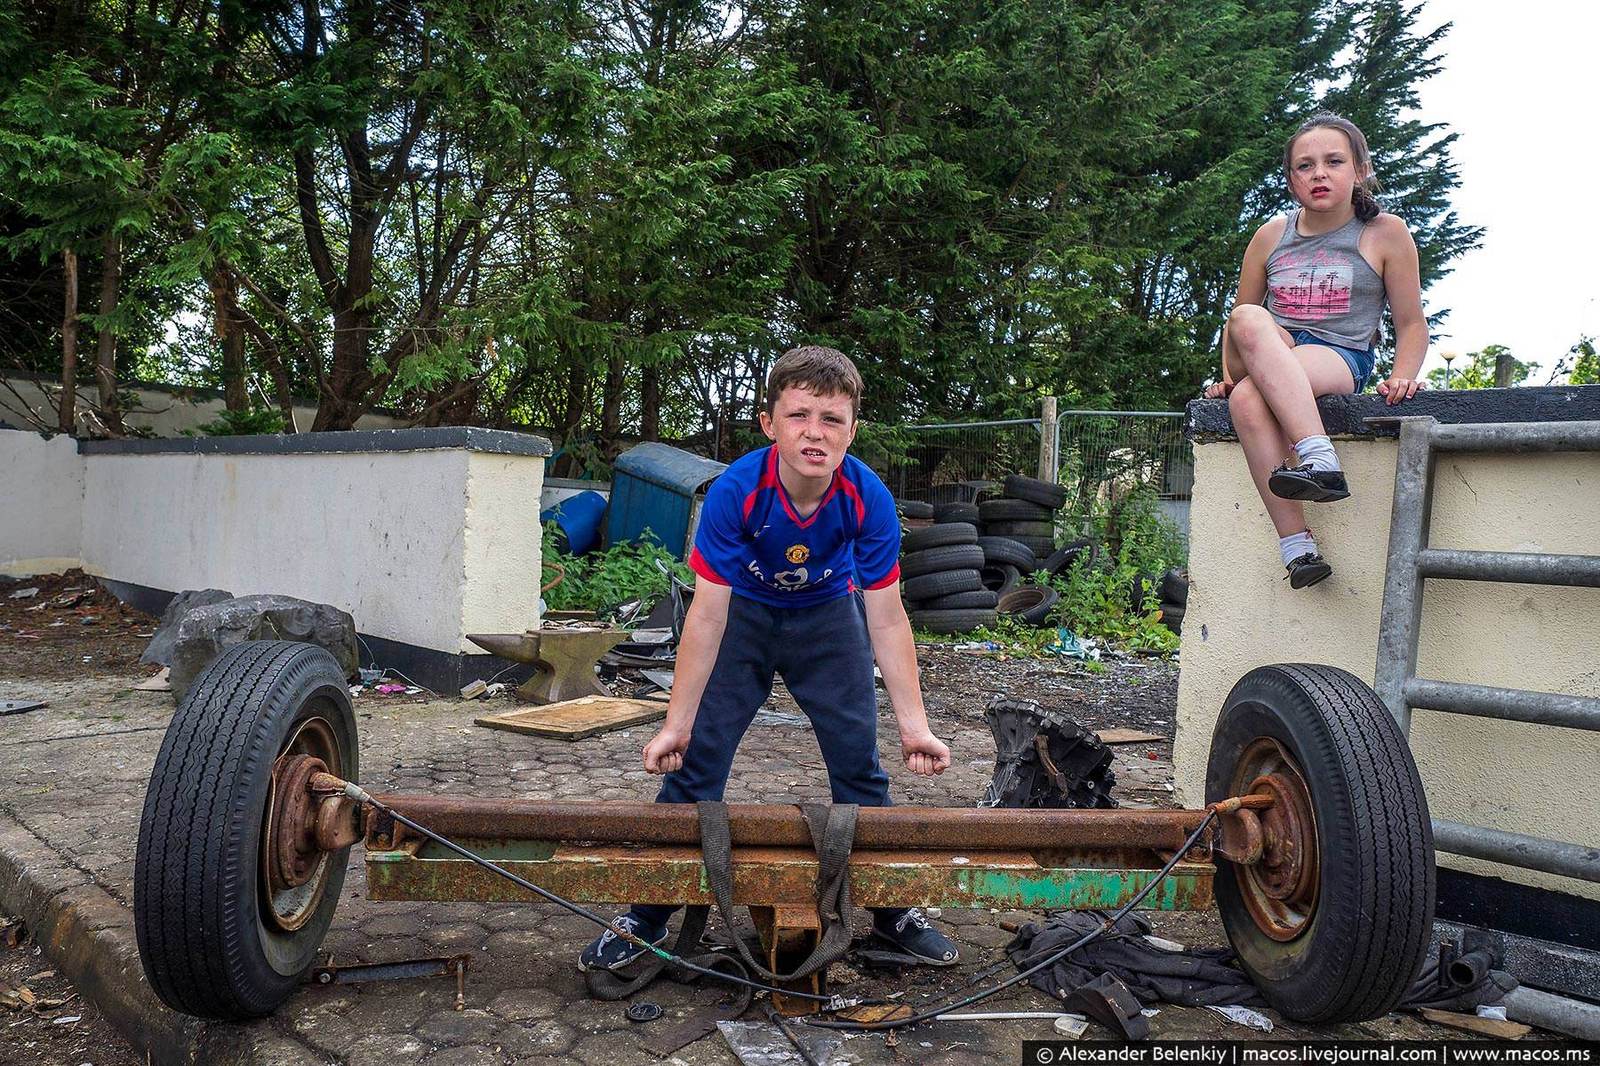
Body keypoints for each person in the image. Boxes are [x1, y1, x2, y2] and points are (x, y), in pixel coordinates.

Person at [578, 345, 961, 972]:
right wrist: (675, 721)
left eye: (832, 419)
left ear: (851, 430)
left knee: (859, 768)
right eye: (799, 415)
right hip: (745, 622)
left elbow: (887, 617)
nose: (815, 432)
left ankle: (893, 912)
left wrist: (915, 726)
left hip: (828, 624)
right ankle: (642, 916)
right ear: (770, 423)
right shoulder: (738, 492)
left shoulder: (868, 499)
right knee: (694, 764)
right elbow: (705, 613)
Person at [1203, 112, 1427, 588]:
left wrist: (1404, 373)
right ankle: (1319, 457)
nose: (1319, 174)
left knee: (1247, 400)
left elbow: (1410, 323)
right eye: (1304, 166)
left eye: (1333, 161)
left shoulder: (1385, 233)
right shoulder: (1270, 235)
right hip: (1269, 347)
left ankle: (1297, 548)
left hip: (1338, 353)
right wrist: (1226, 374)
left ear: (1360, 170)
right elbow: (1238, 326)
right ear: (1290, 179)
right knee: (1245, 318)